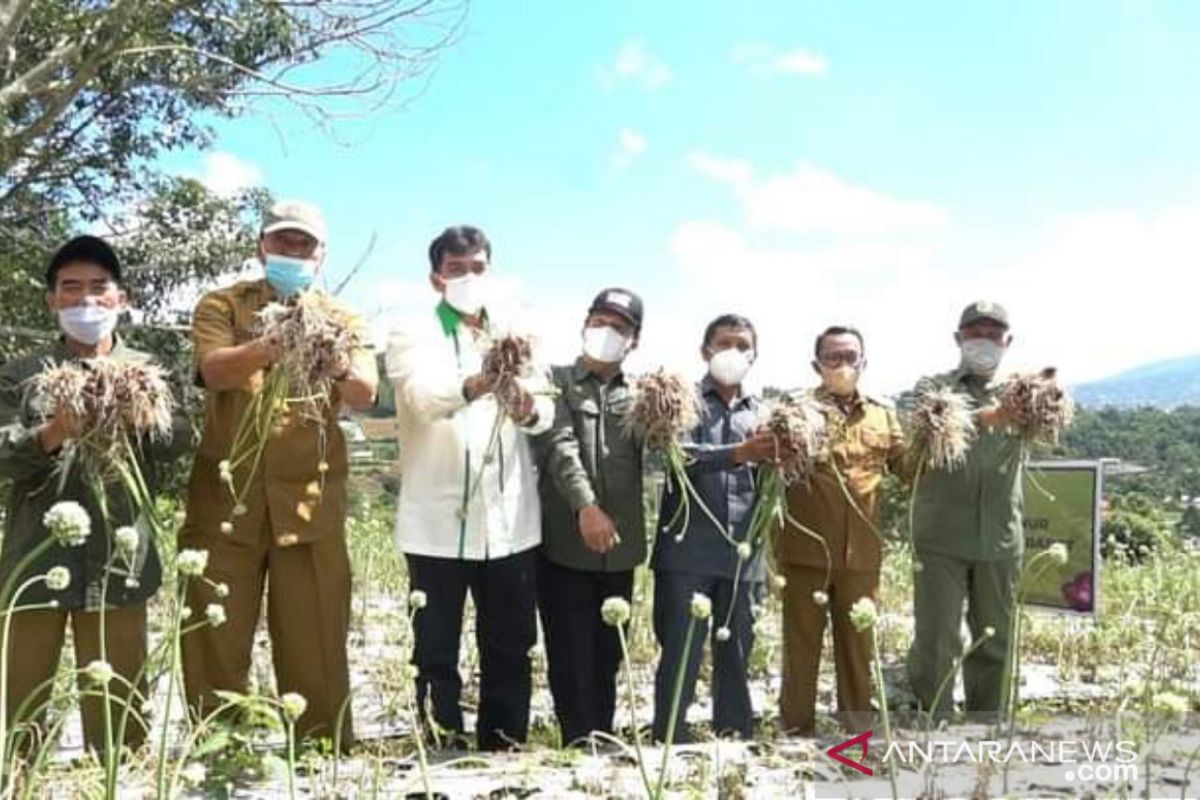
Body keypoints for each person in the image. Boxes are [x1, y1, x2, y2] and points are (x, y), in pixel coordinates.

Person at [180, 200, 377, 745]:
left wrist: (328, 353)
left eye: (304, 245)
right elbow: (214, 370)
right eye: (282, 241)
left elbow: (364, 392)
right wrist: (270, 345)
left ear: (321, 255)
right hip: (226, 499)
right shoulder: (222, 304)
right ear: (260, 246)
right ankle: (216, 747)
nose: (293, 252)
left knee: (314, 631)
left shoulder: (342, 318)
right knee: (215, 631)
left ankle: (319, 747)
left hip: (309, 502)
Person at [0, 235, 190, 752]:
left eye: (99, 288)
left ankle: (115, 776)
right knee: (23, 703)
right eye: (71, 288)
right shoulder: (22, 375)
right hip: (36, 559)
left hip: (120, 559)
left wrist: (140, 408)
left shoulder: (150, 370)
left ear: (121, 299)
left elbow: (179, 445)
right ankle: (21, 779)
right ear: (52, 301)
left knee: (122, 713)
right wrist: (54, 430)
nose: (86, 300)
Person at [385, 225, 553, 751]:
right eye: (456, 269)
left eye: (477, 268)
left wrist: (526, 405)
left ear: (491, 272)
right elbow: (421, 399)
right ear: (437, 278)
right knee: (435, 645)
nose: (468, 277)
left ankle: (504, 743)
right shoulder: (411, 332)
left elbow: (546, 405)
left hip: (509, 521)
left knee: (511, 640)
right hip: (436, 523)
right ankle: (440, 742)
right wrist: (482, 381)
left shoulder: (518, 336)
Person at [650, 313, 779, 743]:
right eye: (725, 343)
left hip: (743, 551)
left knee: (739, 650)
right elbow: (675, 455)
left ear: (754, 355)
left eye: (744, 346)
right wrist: (739, 452)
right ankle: (669, 736)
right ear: (705, 350)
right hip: (687, 553)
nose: (734, 352)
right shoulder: (680, 401)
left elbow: (776, 476)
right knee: (681, 649)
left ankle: (735, 735)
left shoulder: (764, 412)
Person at [776, 326, 904, 736]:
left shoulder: (884, 414)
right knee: (801, 647)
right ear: (817, 365)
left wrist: (939, 438)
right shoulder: (796, 413)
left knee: (858, 650)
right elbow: (770, 465)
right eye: (833, 358)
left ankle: (856, 737)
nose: (842, 365)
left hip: (861, 555)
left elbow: (908, 468)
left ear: (864, 362)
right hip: (805, 551)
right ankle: (796, 732)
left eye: (850, 356)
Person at [534, 288, 646, 747]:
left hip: (620, 550)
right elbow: (559, 445)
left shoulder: (643, 393)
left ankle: (602, 736)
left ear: (633, 339)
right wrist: (585, 506)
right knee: (569, 649)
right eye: (599, 321)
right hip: (564, 541)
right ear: (584, 324)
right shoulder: (554, 380)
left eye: (618, 327)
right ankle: (576, 739)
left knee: (607, 652)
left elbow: (663, 452)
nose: (606, 332)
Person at [905, 301, 1023, 720]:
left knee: (996, 637)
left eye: (994, 334)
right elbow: (926, 427)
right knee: (938, 636)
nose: (984, 341)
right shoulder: (932, 388)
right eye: (975, 333)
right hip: (941, 534)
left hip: (1001, 534)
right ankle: (932, 717)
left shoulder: (1022, 393)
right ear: (958, 338)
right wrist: (991, 417)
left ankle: (987, 723)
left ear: (1008, 341)